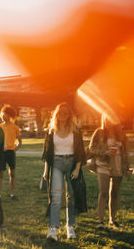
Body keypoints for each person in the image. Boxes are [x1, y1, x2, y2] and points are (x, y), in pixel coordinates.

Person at [42, 102, 87, 241]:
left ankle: (70, 227)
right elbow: (47, 153)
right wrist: (45, 171)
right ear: (56, 114)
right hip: (56, 163)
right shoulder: (51, 130)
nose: (63, 115)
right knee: (55, 198)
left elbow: (80, 151)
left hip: (72, 164)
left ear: (69, 115)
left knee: (71, 197)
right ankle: (53, 229)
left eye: (66, 113)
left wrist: (78, 168)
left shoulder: (75, 130)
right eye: (60, 113)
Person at [87, 114, 131, 229]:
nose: (110, 121)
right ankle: (101, 221)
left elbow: (126, 152)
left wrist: (127, 168)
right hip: (103, 165)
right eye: (107, 118)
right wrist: (104, 152)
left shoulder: (121, 135)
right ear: (104, 119)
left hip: (117, 166)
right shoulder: (99, 132)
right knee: (103, 193)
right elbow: (91, 148)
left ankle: (112, 219)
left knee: (115, 194)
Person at [0, 104, 22, 200]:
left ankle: (12, 194)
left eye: (6, 114)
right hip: (1, 153)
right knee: (0, 174)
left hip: (10, 153)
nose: (4, 116)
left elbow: (20, 143)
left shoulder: (15, 127)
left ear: (10, 115)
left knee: (12, 174)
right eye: (3, 114)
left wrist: (14, 149)